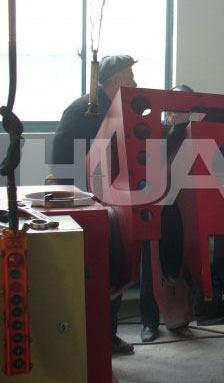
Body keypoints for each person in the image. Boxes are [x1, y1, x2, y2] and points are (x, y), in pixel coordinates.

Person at [51, 54, 138, 355]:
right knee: (91, 269)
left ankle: (106, 337)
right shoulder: (83, 111)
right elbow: (63, 163)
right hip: (85, 206)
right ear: (115, 81)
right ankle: (83, 341)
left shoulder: (117, 111)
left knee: (113, 266)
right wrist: (82, 200)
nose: (135, 84)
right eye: (130, 78)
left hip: (111, 203)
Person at [139, 83, 195, 343]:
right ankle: (149, 323)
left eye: (180, 105)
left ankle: (180, 321)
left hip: (183, 213)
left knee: (180, 265)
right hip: (155, 207)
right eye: (171, 104)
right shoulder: (156, 133)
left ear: (189, 108)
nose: (174, 110)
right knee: (150, 266)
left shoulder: (197, 135)